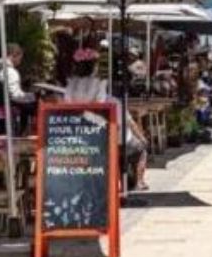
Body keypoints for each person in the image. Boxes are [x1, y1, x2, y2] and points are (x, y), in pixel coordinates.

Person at [63, 46, 150, 191]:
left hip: (78, 136)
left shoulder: (70, 85)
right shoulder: (106, 92)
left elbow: (67, 106)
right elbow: (103, 107)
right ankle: (138, 181)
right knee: (137, 147)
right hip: (104, 139)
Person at [0, 43, 36, 136]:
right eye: (20, 58)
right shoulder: (10, 71)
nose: (20, 62)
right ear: (13, 55)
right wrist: (33, 97)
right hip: (8, 115)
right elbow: (15, 95)